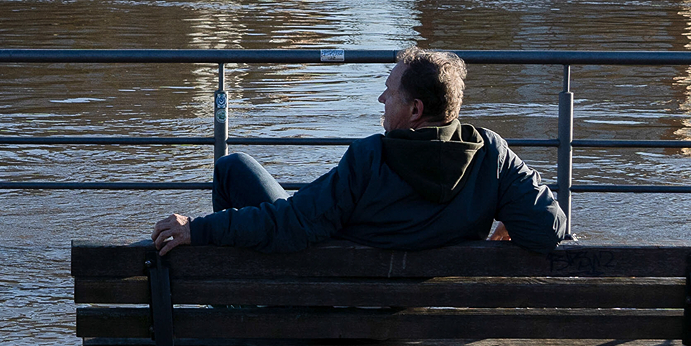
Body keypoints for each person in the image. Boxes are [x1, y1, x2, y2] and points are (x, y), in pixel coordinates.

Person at [152, 46, 568, 256]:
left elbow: (294, 223)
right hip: (423, 312)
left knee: (233, 168)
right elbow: (549, 228)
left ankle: (234, 300)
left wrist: (199, 229)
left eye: (389, 94)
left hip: (345, 306)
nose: (380, 100)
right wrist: (503, 225)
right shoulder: (492, 155)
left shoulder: (371, 158)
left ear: (415, 109)